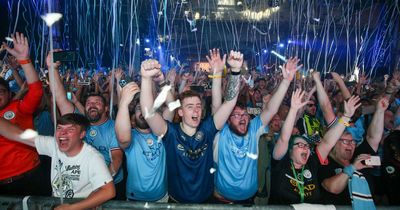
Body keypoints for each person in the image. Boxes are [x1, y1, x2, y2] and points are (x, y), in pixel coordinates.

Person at [140, 51, 242, 203]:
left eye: (198, 106)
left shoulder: (207, 129)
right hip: (177, 202)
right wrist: (146, 78)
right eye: (189, 107)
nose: (195, 110)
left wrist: (235, 71)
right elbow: (148, 113)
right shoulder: (170, 133)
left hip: (206, 201)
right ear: (180, 112)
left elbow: (230, 103)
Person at [211, 54, 301, 203]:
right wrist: (222, 73)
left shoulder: (253, 129)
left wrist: (286, 81)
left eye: (244, 114)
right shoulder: (221, 131)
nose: (242, 117)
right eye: (236, 115)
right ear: (226, 120)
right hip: (222, 200)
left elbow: (271, 110)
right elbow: (217, 104)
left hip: (249, 199)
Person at [47, 52, 124, 199]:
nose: (92, 105)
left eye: (97, 103)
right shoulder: (78, 121)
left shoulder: (113, 127)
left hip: (109, 183)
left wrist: (100, 185)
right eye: (88, 103)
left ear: (106, 108)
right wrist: (53, 69)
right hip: (82, 183)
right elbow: (61, 98)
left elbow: (117, 159)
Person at [0, 114, 115, 209]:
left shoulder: (93, 157)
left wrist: (72, 208)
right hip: (58, 203)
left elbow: (108, 191)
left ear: (82, 134)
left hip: (81, 206)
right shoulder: (53, 145)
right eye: (59, 128)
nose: (63, 133)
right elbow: (18, 134)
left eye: (70, 129)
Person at [271, 89, 361, 204]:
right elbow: (284, 138)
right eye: (300, 145)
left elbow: (328, 142)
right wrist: (293, 109)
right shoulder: (281, 163)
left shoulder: (312, 162)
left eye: (307, 146)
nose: (305, 148)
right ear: (290, 150)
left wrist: (346, 117)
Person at [0, 32, 47, 196]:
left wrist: (24, 61)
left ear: (9, 94)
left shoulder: (18, 108)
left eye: (1, 92)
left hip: (31, 178)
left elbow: (35, 91)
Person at [320, 97, 389, 205]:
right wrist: (352, 168)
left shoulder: (358, 156)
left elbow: (373, 137)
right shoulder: (325, 161)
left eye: (352, 142)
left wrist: (380, 111)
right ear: (334, 143)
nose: (351, 145)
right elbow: (332, 187)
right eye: (346, 142)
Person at [115, 82, 168, 202]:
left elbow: (172, 107)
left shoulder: (163, 132)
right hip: (135, 198)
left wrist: (164, 82)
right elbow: (123, 140)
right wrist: (123, 103)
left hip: (161, 198)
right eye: (139, 109)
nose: (143, 113)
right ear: (133, 116)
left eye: (146, 110)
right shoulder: (131, 135)